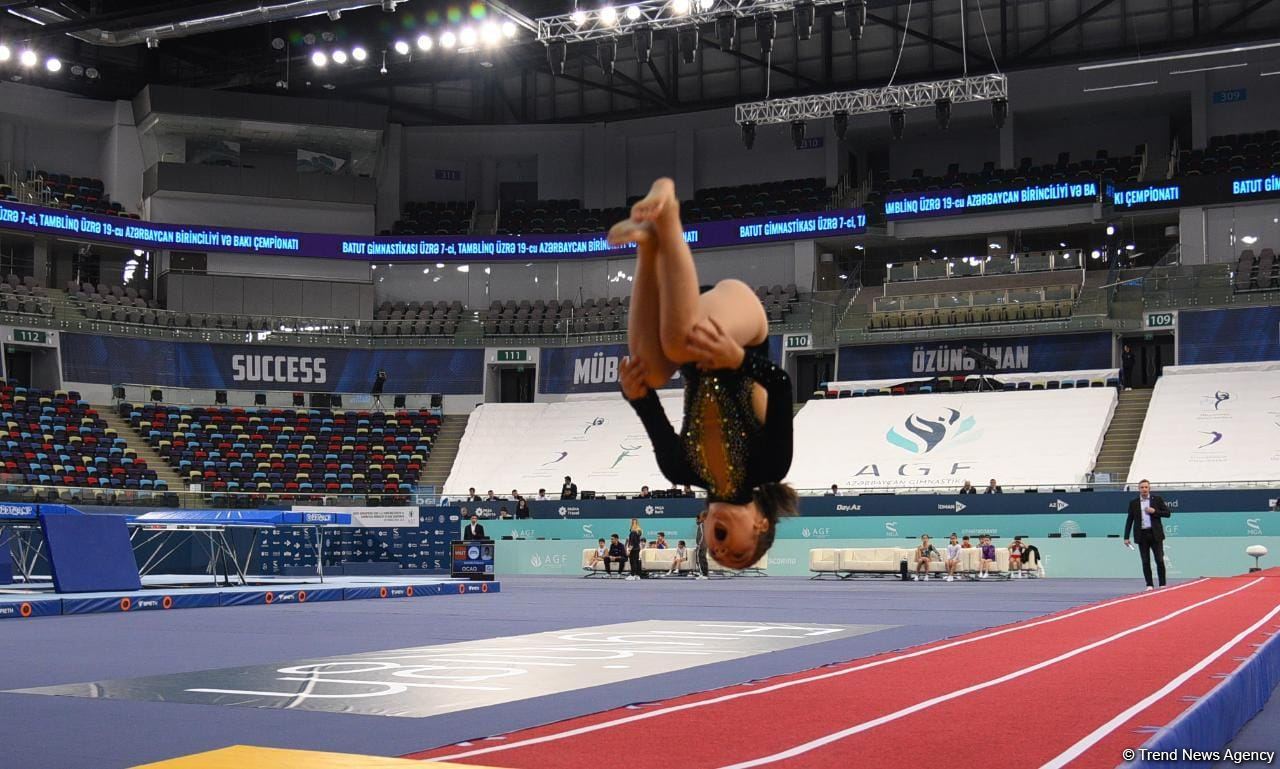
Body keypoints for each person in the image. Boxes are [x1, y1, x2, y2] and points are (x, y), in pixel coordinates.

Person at [613, 178, 797, 571]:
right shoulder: (770, 466)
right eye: (741, 555)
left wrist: (634, 391)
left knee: (652, 369)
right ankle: (668, 214)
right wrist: (739, 359)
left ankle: (648, 246)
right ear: (760, 524)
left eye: (718, 557)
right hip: (743, 330)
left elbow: (648, 405)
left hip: (692, 339)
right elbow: (781, 387)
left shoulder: (680, 468)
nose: (722, 554)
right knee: (680, 345)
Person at [1124, 479, 1171, 590]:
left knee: (1159, 559)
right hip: (1142, 535)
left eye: (1146, 487)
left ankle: (1162, 584)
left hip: (1155, 534)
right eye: (1142, 487)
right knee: (1145, 561)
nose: (1144, 489)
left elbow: (1168, 514)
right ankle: (1149, 584)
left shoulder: (1157, 499)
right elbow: (1129, 520)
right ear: (1139, 489)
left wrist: (1154, 511)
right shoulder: (1134, 503)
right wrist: (1126, 536)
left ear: (1149, 488)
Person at [695, 510, 710, 579]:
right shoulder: (704, 525)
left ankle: (704, 574)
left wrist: (699, 544)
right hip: (704, 545)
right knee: (702, 559)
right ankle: (704, 574)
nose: (696, 521)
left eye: (696, 520)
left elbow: (702, 535)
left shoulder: (701, 525)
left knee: (701, 559)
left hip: (702, 545)